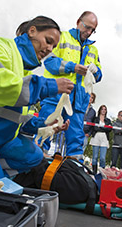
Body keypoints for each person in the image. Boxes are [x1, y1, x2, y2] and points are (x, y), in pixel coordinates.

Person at [0, 16, 74, 181]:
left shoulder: (24, 71)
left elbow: (17, 120)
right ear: (32, 31)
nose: (49, 49)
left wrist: (47, 124)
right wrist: (49, 86)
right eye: (48, 41)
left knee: (33, 156)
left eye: (53, 46)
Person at [37, 11, 103, 161]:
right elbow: (49, 62)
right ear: (78, 21)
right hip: (56, 95)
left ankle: (74, 169)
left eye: (93, 30)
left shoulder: (93, 49)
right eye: (87, 27)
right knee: (46, 130)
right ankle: (36, 163)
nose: (89, 32)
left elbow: (99, 76)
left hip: (78, 101)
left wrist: (95, 71)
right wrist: (73, 67)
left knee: (76, 141)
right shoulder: (62, 37)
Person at [89, 105, 112, 174]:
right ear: (100, 110)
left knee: (102, 158)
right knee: (95, 157)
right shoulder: (95, 119)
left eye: (105, 109)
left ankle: (102, 173)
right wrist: (104, 128)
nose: (103, 110)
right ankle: (94, 172)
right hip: (96, 137)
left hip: (104, 138)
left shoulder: (108, 120)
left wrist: (100, 127)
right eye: (102, 109)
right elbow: (95, 128)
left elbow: (109, 129)